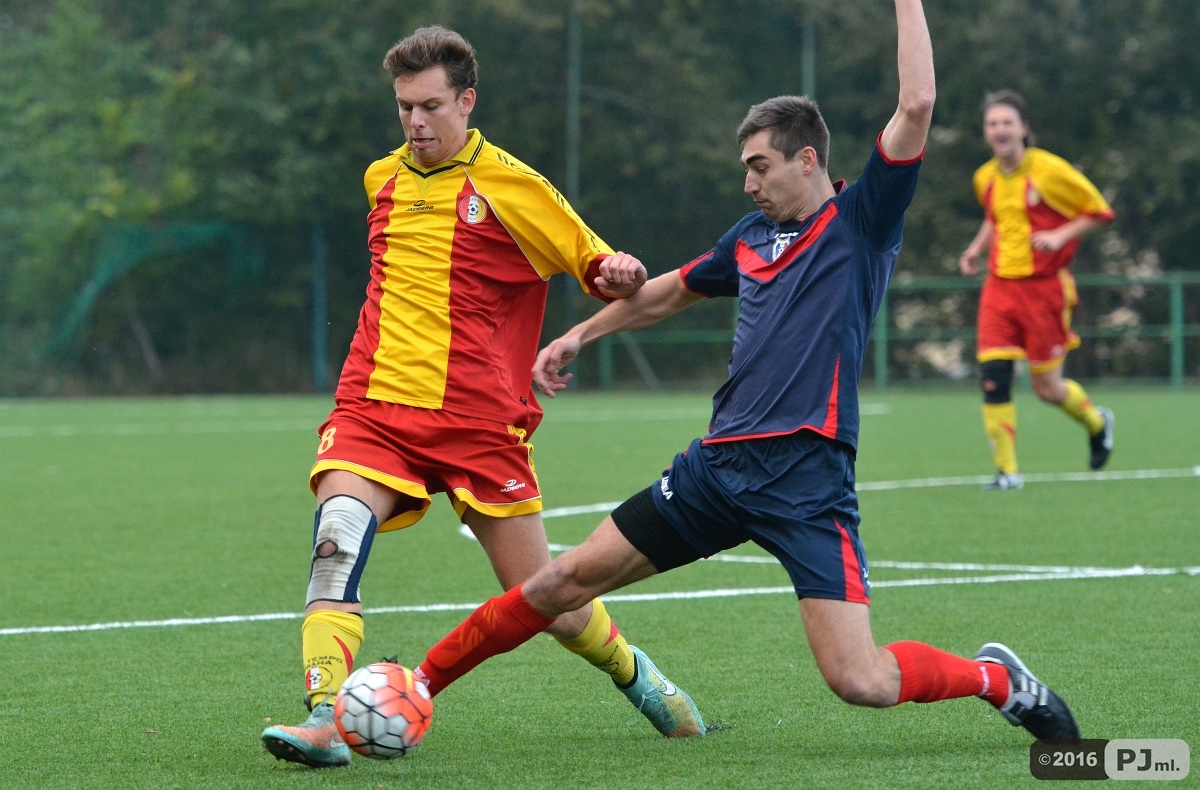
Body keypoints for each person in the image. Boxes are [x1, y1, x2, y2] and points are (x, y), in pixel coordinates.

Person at [406, 0, 1082, 745]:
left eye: (759, 166)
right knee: (561, 582)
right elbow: (668, 290)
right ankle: (416, 687)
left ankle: (999, 681)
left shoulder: (861, 222)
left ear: (807, 160)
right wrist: (580, 333)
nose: (749, 183)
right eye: (745, 170)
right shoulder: (751, 237)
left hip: (807, 478)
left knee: (861, 680)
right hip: (717, 470)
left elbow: (917, 102)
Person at [261, 25, 703, 769]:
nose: (416, 122)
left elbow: (595, 263)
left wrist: (620, 272)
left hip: (479, 423)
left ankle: (640, 677)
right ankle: (325, 719)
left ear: (467, 102)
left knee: (548, 600)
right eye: (405, 107)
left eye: (431, 106)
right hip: (374, 408)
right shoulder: (381, 179)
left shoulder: (513, 186)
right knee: (335, 541)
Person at [958, 89, 1116, 491]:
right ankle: (1008, 473)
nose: (1000, 130)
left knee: (1047, 389)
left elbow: (1099, 211)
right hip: (998, 288)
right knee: (994, 376)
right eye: (992, 124)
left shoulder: (1049, 170)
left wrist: (1060, 235)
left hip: (1044, 291)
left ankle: (1096, 422)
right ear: (986, 132)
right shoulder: (985, 176)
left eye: (1007, 122)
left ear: (1023, 128)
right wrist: (975, 250)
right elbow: (995, 218)